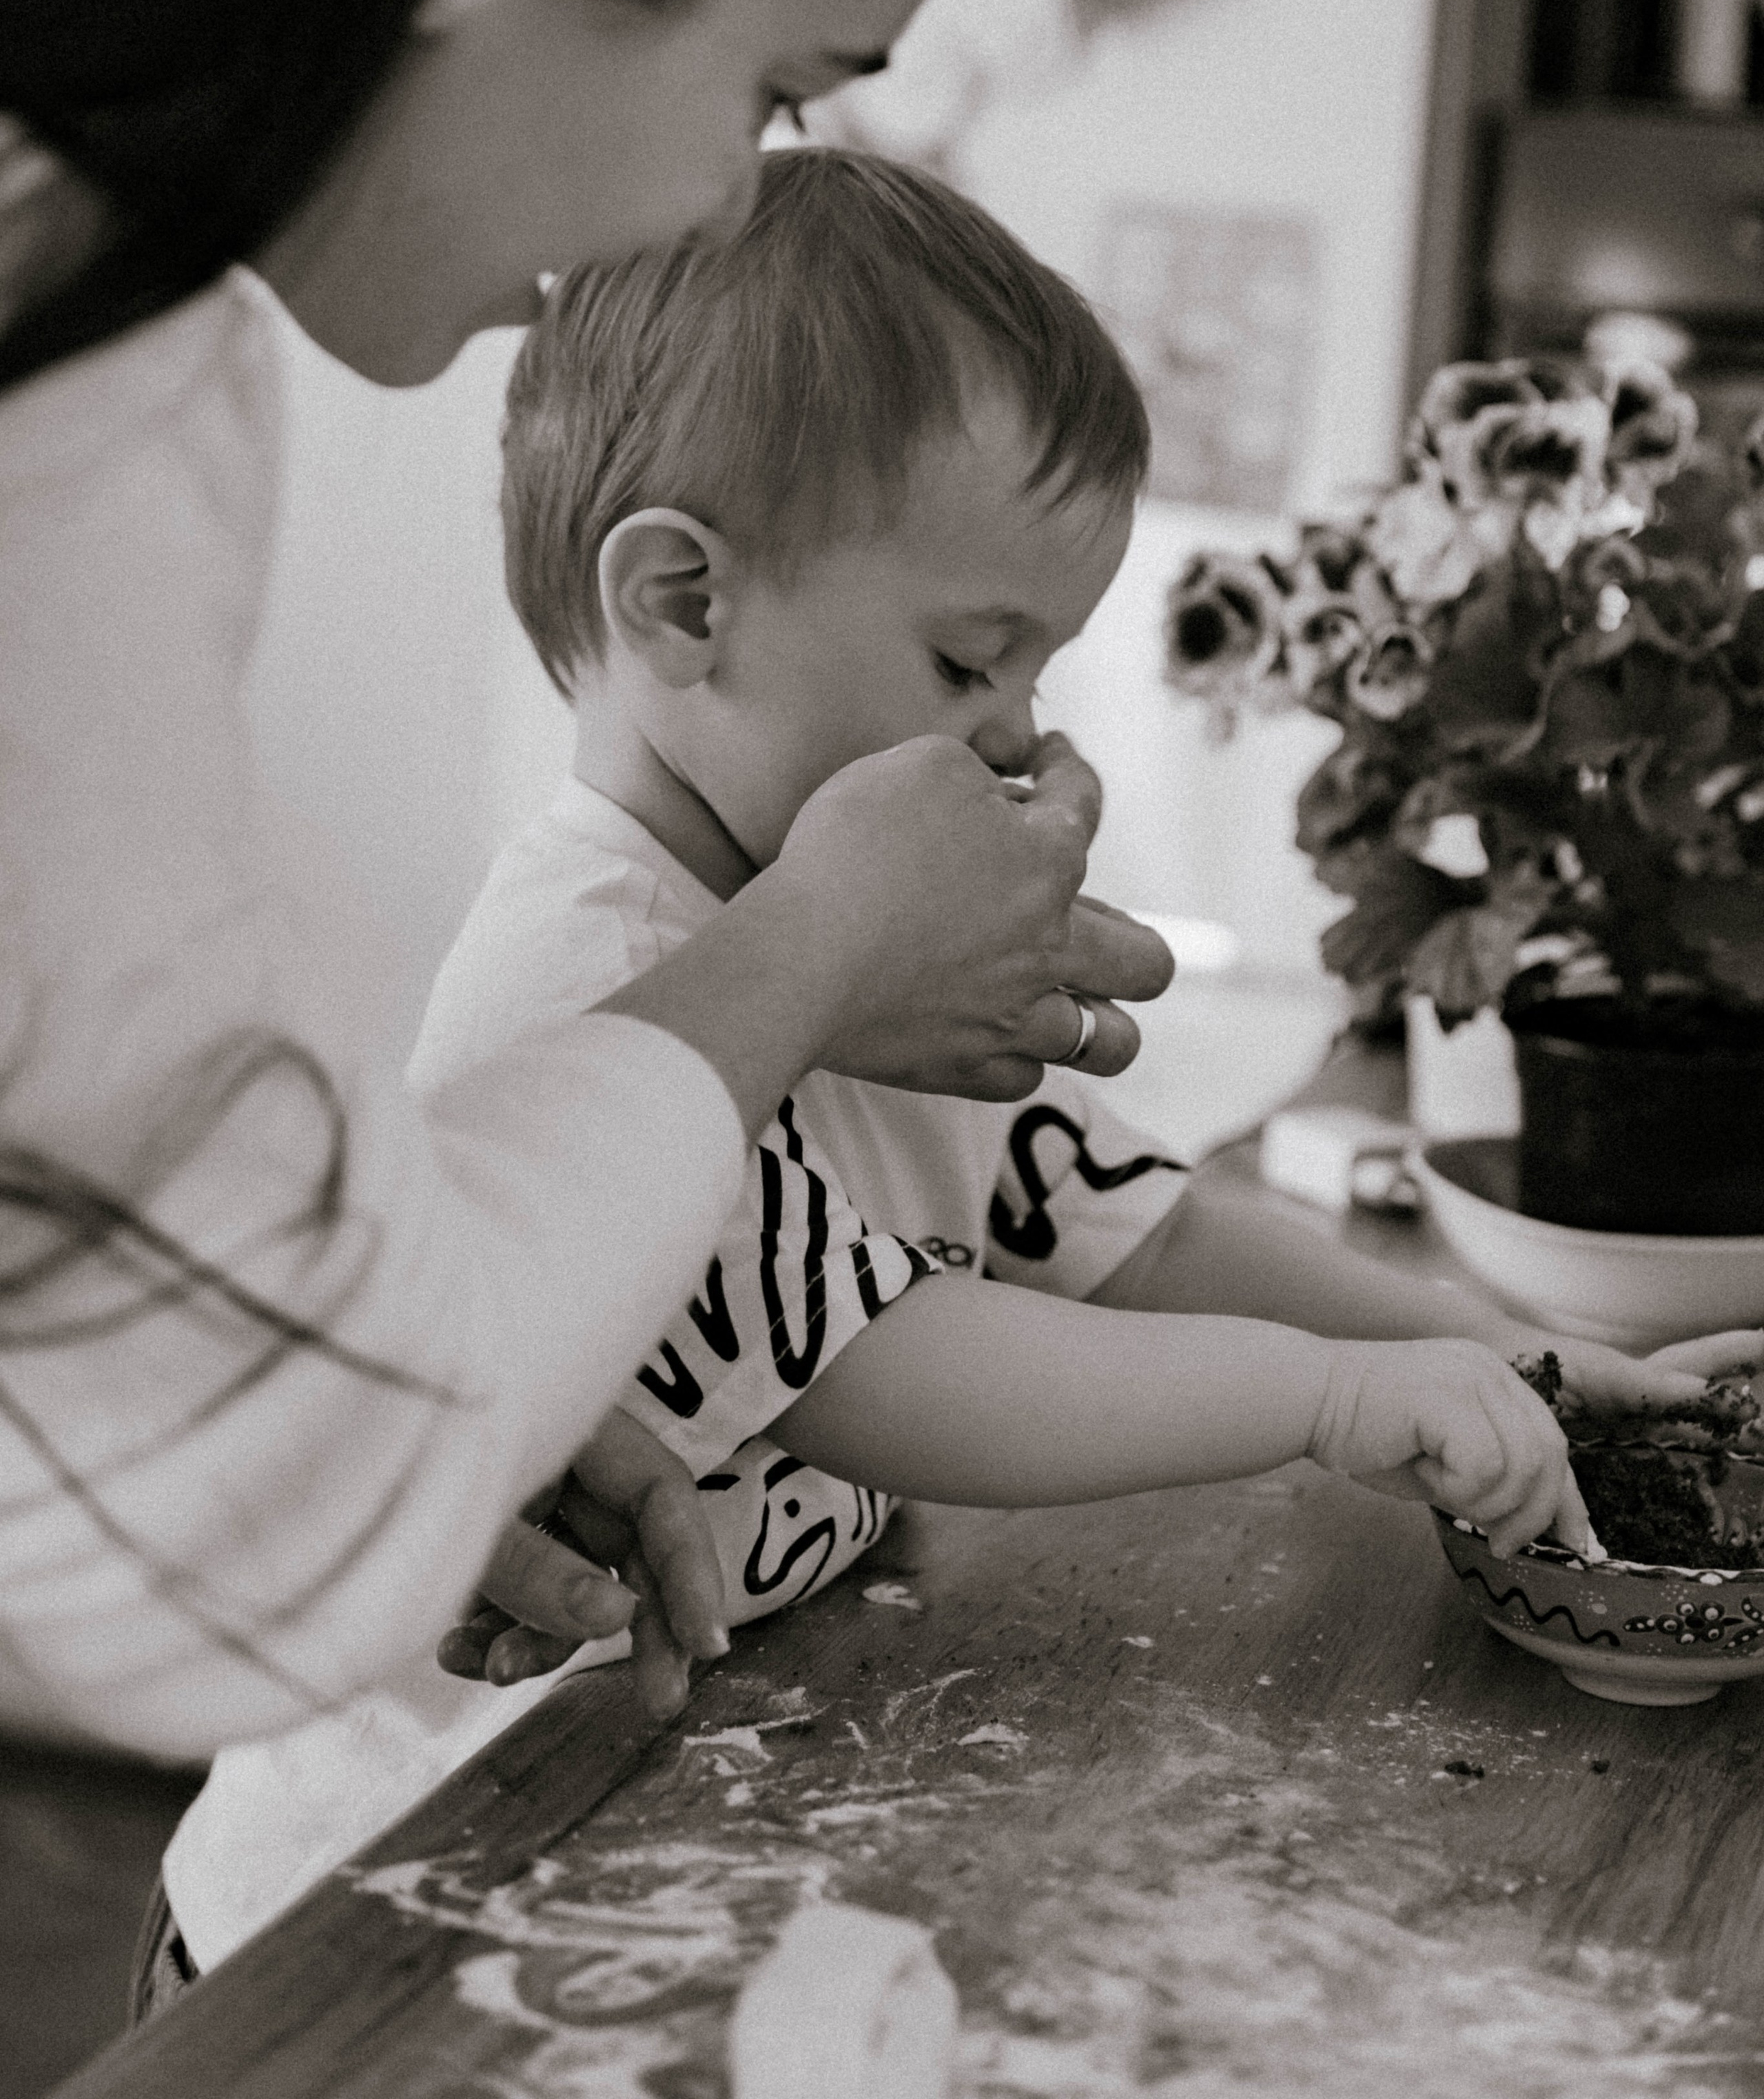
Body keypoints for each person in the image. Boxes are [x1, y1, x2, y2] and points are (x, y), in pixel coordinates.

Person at [152, 147, 1764, 1992]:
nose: (1018, 737)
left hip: (648, 1816)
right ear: (687, 608)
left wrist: (1512, 1360)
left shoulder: (889, 940)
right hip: (374, 1909)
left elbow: (1134, 1232)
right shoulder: (599, 982)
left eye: (1036, 671)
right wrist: (1330, 1401)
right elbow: (891, 1374)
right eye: (968, 662)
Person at [0, 0, 1175, 1764]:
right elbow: (243, 1546)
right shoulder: (79, 408)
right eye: (773, 87)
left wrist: (442, 1349)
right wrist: (816, 949)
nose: (710, 202)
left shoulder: (136, 337)